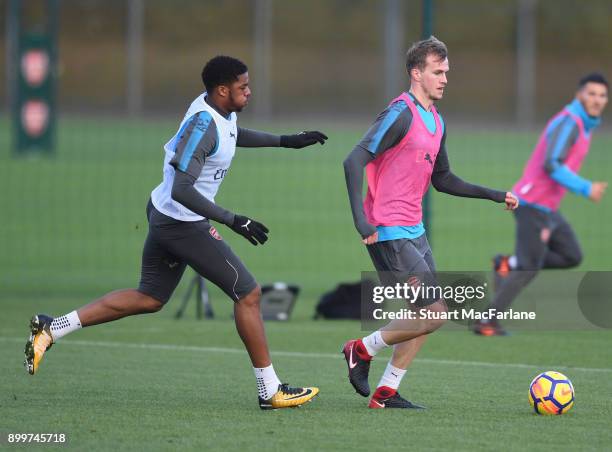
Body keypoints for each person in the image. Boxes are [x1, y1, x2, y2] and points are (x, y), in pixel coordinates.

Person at [24, 55, 328, 410]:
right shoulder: (203, 124)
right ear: (222, 90)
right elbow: (183, 188)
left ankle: (50, 328)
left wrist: (286, 141)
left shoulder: (221, 113)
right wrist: (234, 220)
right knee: (248, 294)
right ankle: (270, 390)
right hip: (181, 223)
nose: (250, 91)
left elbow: (231, 135)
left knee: (150, 297)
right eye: (243, 87)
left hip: (166, 215)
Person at [341, 36, 519, 409]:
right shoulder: (399, 113)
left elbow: (444, 179)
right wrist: (362, 221)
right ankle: (360, 349)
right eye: (437, 72)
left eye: (446, 72)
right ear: (416, 73)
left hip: (415, 231)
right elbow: (352, 160)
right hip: (387, 231)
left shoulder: (437, 122)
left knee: (421, 316)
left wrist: (494, 194)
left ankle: (387, 392)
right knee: (434, 314)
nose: (444, 79)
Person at [474, 73, 608, 336]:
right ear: (579, 95)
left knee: (571, 255)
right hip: (532, 203)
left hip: (547, 207)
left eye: (602, 95)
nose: (597, 100)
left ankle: (508, 263)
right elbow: (551, 164)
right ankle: (487, 322)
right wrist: (586, 187)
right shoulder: (570, 122)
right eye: (591, 94)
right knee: (529, 268)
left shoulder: (584, 124)